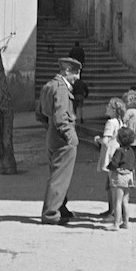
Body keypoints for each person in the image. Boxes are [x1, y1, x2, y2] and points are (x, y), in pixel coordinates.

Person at [36, 57, 81, 225]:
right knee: (60, 177)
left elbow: (39, 113)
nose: (77, 77)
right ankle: (51, 214)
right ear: (66, 70)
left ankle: (61, 208)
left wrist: (50, 128)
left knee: (58, 174)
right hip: (63, 137)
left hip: (51, 134)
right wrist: (71, 137)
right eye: (75, 73)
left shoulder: (49, 85)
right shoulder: (61, 88)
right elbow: (62, 117)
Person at [94, 97, 126, 220]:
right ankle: (112, 209)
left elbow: (106, 141)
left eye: (109, 106)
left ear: (114, 110)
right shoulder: (120, 122)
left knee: (112, 185)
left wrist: (97, 139)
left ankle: (113, 212)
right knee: (112, 184)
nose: (106, 108)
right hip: (117, 154)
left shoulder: (110, 123)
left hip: (110, 155)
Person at [106, 126, 136, 231]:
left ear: (119, 139)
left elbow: (114, 163)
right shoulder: (131, 151)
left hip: (119, 177)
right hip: (129, 177)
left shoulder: (119, 151)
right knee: (125, 201)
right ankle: (126, 222)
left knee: (117, 201)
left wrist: (109, 166)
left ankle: (116, 224)